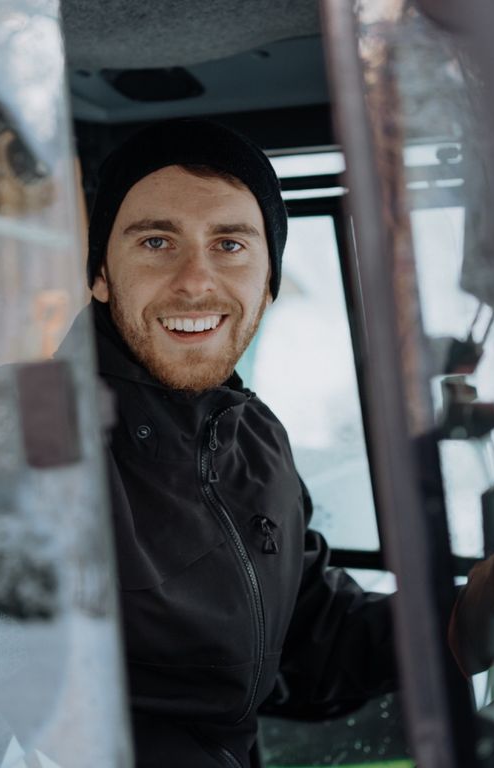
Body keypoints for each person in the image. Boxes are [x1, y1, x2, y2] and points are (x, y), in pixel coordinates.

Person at [77, 119, 396, 768]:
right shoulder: (20, 435)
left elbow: (311, 646)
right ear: (102, 276)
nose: (196, 281)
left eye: (230, 245)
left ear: (269, 282)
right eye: (158, 241)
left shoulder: (256, 437)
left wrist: (473, 615)